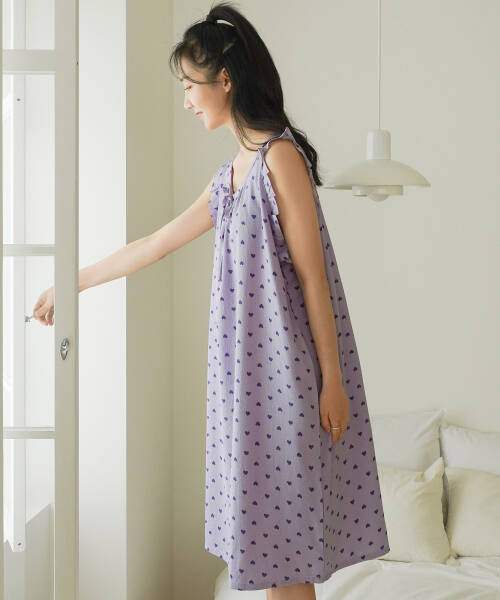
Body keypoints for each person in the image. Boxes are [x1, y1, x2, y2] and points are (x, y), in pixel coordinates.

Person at [33, 2, 389, 598]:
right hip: (244, 386)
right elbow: (153, 244)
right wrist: (72, 282)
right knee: (274, 558)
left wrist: (332, 379)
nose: (186, 100)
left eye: (189, 85)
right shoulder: (231, 176)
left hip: (288, 380)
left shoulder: (280, 158)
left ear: (225, 79)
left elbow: (314, 280)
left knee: (288, 559)